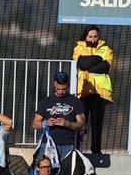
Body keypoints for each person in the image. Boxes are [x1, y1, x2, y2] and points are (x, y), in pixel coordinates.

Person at [71, 27, 114, 159]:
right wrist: (97, 59)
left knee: (97, 122)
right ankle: (78, 148)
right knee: (81, 122)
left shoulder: (106, 49)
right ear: (85, 36)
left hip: (100, 92)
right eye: (90, 37)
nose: (93, 39)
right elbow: (81, 64)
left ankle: (96, 150)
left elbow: (105, 66)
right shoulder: (78, 48)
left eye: (95, 37)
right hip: (83, 90)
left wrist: (90, 62)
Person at [31, 71, 86, 163]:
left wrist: (67, 123)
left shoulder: (76, 102)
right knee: (47, 172)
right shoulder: (46, 102)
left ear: (68, 85)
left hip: (67, 145)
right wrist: (46, 123)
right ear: (54, 84)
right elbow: (35, 124)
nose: (60, 92)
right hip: (48, 144)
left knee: (65, 174)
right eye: (58, 89)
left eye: (63, 89)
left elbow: (82, 124)